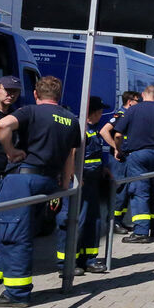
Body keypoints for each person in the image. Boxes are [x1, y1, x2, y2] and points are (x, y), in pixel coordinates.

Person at [0, 76, 80, 307]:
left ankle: (17, 293)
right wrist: (63, 188)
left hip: (22, 180)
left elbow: (2, 125)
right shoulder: (71, 119)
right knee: (9, 235)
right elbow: (71, 156)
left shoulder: (30, 111)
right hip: (49, 183)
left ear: (37, 95)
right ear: (59, 96)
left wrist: (10, 151)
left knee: (13, 235)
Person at [113, 85, 154, 243]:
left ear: (143, 95)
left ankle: (141, 232)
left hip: (138, 155)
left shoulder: (132, 110)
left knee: (139, 192)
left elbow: (117, 134)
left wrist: (118, 149)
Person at [56, 97, 110, 276]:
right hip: (80, 180)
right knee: (73, 220)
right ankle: (67, 262)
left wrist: (105, 169)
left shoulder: (93, 129)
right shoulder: (80, 129)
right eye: (100, 111)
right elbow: (71, 153)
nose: (102, 115)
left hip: (92, 182)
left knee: (92, 220)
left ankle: (89, 259)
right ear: (91, 113)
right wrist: (75, 175)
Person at [0, 76, 22, 256]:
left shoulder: (16, 115)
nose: (11, 94)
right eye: (7, 90)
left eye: (15, 91)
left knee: (2, 227)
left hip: (9, 178)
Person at [100, 91, 140, 235]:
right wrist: (116, 148)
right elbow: (104, 131)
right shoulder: (121, 115)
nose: (139, 103)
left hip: (126, 157)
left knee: (125, 191)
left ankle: (119, 220)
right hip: (119, 159)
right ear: (130, 102)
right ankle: (113, 222)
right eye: (137, 101)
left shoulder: (129, 115)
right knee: (119, 190)